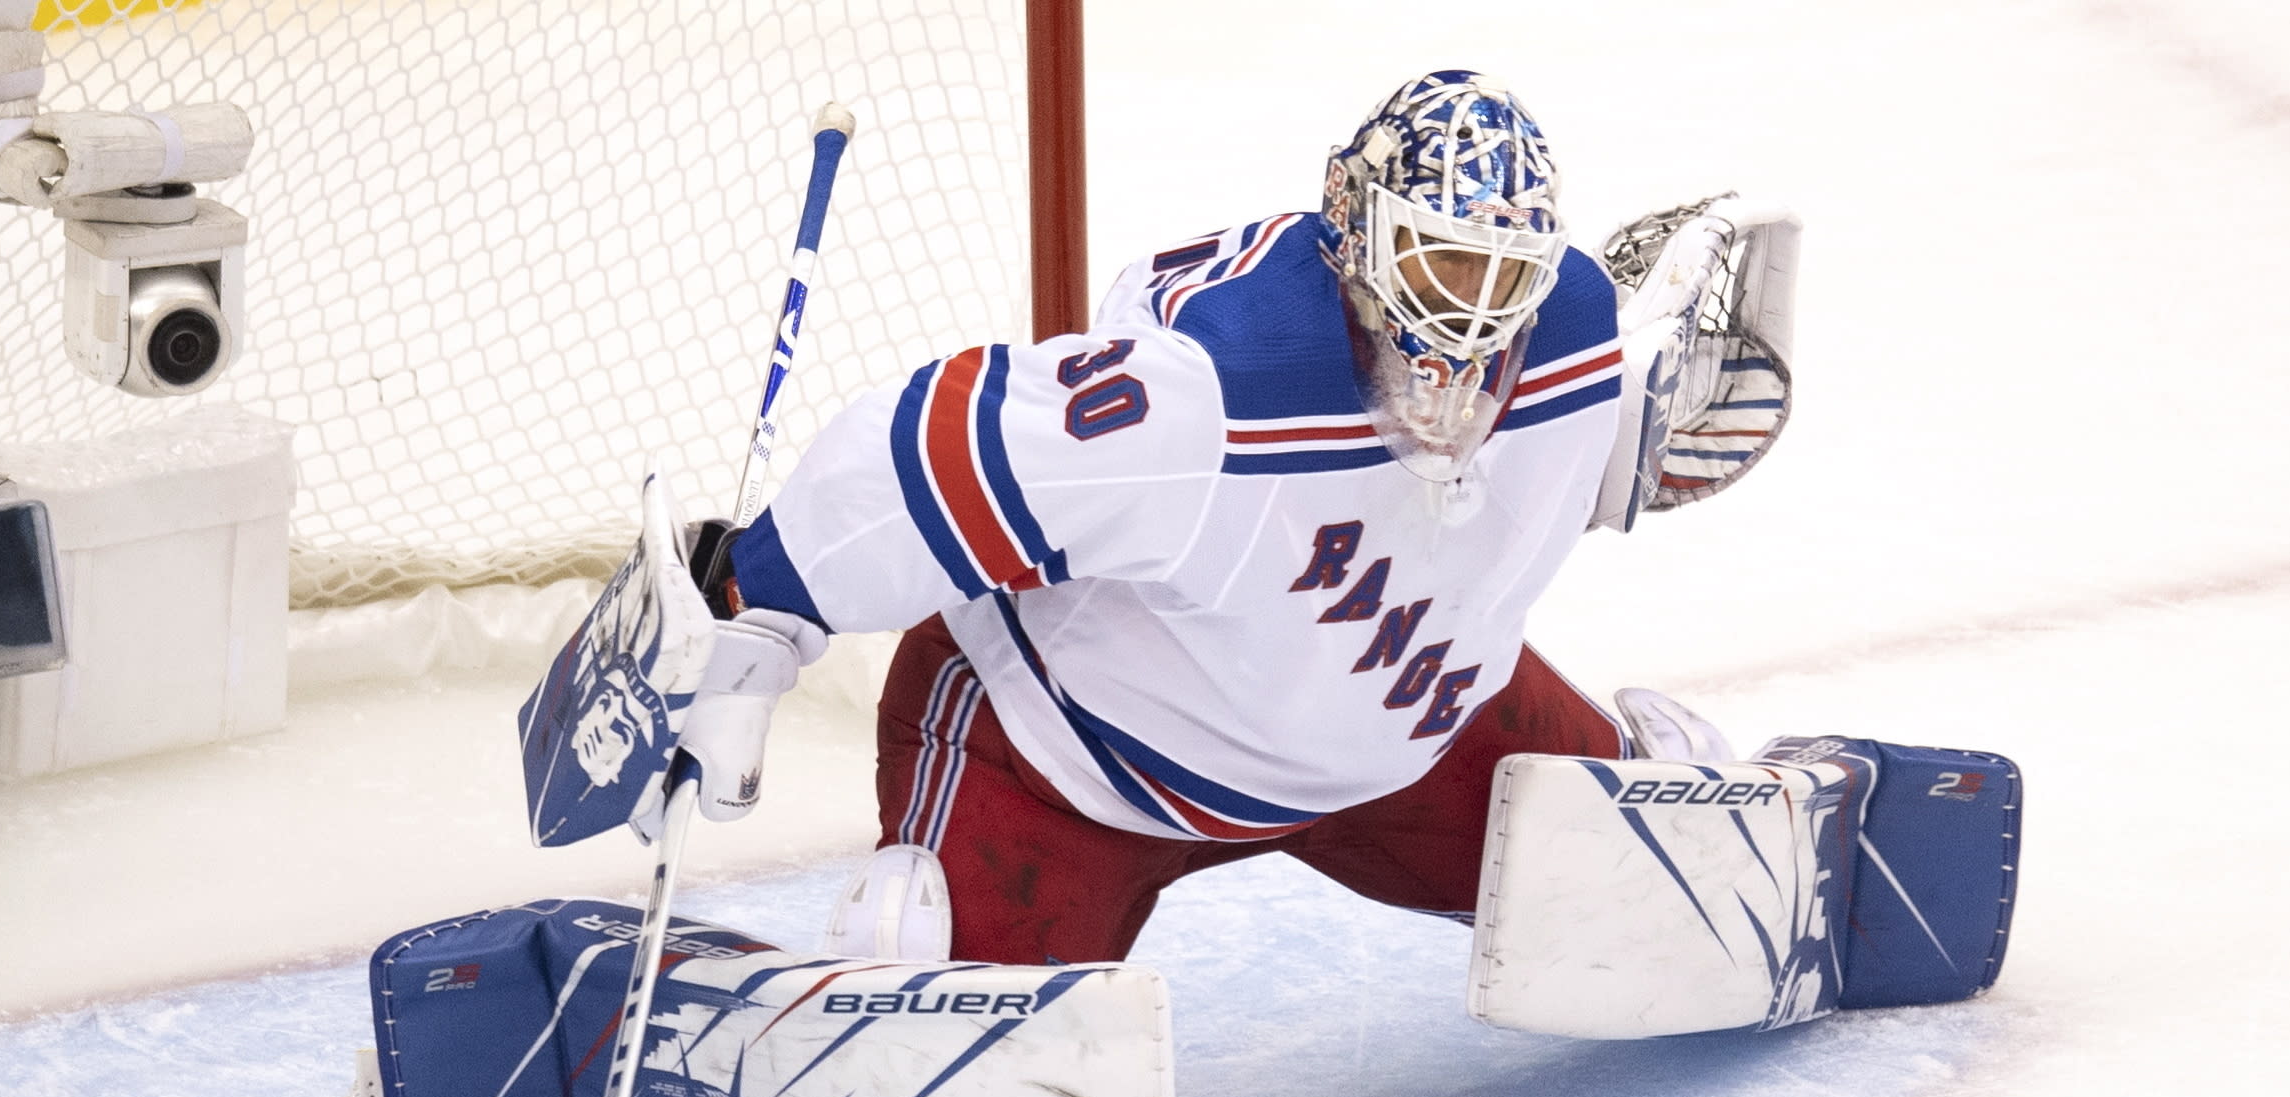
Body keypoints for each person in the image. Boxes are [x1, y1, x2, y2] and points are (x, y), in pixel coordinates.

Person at [699, 70, 1755, 965]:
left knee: (1663, 892)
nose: (1473, 318)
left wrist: (1649, 434)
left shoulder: (1568, 332)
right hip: (1069, 772)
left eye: (1506, 275)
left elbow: (1572, 480)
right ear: (1354, 223)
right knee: (947, 1030)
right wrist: (759, 600)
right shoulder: (1210, 386)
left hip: (1415, 735)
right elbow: (932, 449)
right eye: (1443, 263)